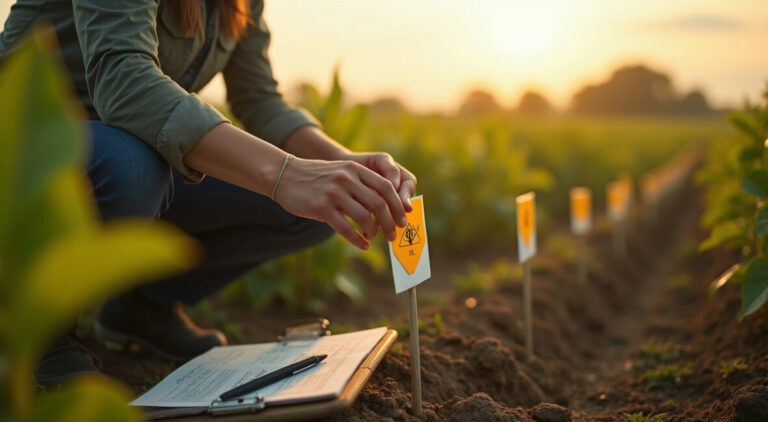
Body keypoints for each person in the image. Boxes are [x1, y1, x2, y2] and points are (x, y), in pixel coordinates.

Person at [0, 0, 416, 386]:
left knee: (321, 206)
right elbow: (123, 79)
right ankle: (35, 334)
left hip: (132, 148)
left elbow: (260, 100)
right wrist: (286, 175)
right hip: (26, 149)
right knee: (132, 167)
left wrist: (344, 164)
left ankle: (141, 306)